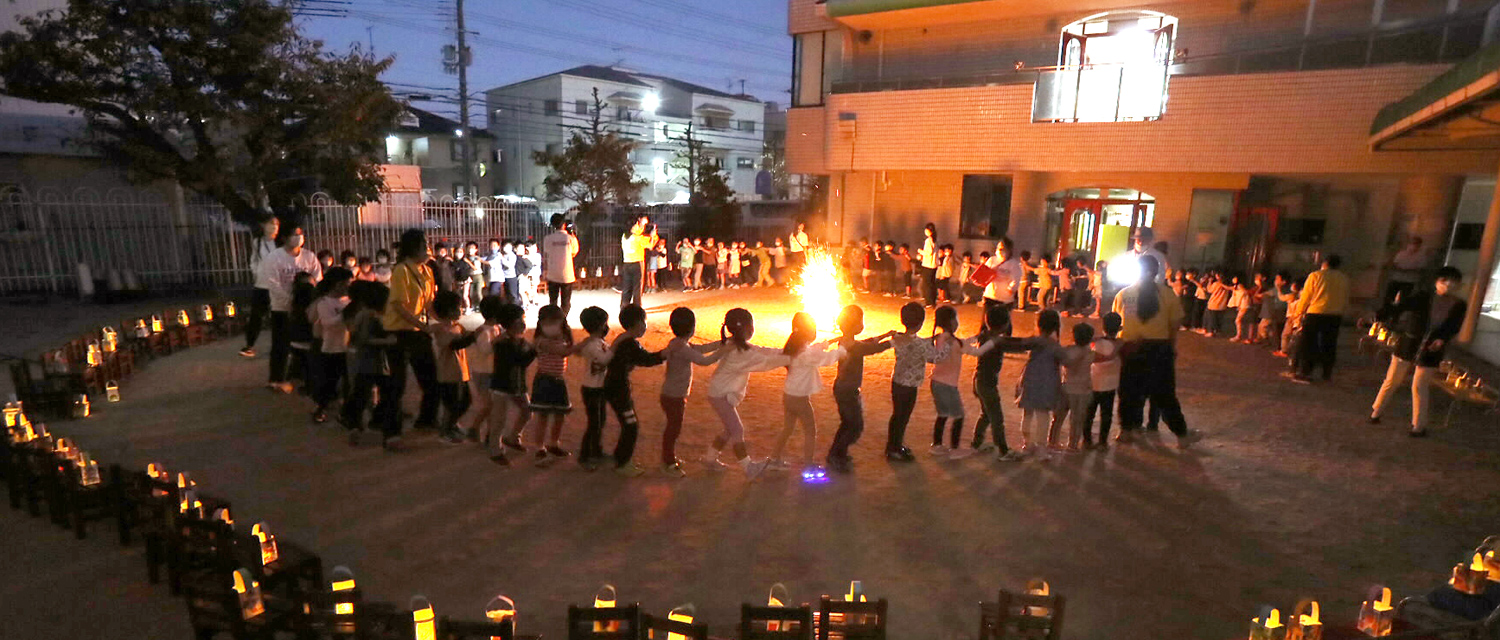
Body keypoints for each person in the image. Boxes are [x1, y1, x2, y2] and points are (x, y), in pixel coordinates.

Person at [1112, 256, 1200, 447]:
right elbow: (1175, 325)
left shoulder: (1123, 294)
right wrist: (1171, 346)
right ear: (1156, 272)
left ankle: (1126, 430)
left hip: (1131, 347)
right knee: (1164, 393)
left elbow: (1117, 323)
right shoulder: (1167, 295)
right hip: (1158, 349)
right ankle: (1181, 435)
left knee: (1129, 391)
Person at [1368, 266, 1466, 437]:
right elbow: (1401, 306)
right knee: (1392, 380)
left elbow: (1453, 326)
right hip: (1409, 342)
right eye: (1444, 280)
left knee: (1419, 386)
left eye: (1453, 282)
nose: (1448, 284)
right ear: (1437, 281)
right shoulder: (1424, 296)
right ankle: (1376, 412)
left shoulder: (1459, 305)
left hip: (1431, 349)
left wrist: (1441, 339)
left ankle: (1418, 426)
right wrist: (1379, 315)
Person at [703, 308, 787, 476]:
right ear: (747, 328)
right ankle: (748, 467)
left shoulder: (735, 345)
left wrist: (787, 351)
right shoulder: (740, 352)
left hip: (719, 392)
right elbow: (765, 361)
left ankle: (710, 458)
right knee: (737, 429)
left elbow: (762, 351)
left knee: (729, 429)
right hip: (720, 395)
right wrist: (790, 357)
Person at [378, 228, 438, 446]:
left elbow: (429, 303)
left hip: (418, 332)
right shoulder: (402, 271)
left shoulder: (427, 271)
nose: (428, 248)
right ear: (414, 248)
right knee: (397, 384)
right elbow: (399, 306)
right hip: (399, 333)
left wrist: (444, 322)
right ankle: (391, 433)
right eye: (425, 245)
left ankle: (427, 420)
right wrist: (423, 326)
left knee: (431, 379)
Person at [825, 305, 895, 473]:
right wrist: (891, 342)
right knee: (855, 426)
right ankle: (836, 455)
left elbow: (866, 343)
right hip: (847, 390)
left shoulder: (846, 340)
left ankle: (837, 453)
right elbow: (870, 348)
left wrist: (885, 336)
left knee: (848, 423)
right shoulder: (853, 346)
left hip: (844, 388)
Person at [772, 312, 844, 475]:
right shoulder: (806, 353)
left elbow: (812, 350)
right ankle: (808, 465)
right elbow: (826, 359)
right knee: (810, 431)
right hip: (799, 399)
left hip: (788, 395)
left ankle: (774, 458)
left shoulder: (793, 346)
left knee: (787, 429)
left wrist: (824, 344)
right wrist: (843, 350)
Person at [598, 304, 665, 476]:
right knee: (631, 425)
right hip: (618, 388)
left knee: (628, 423)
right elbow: (647, 359)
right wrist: (664, 354)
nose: (646, 326)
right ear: (637, 323)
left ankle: (620, 457)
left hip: (615, 386)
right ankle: (623, 463)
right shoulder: (629, 344)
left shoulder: (625, 339)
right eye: (644, 322)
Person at [659, 308, 723, 477]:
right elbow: (704, 360)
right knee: (673, 429)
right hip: (674, 396)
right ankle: (668, 462)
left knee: (673, 428)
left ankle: (669, 458)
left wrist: (722, 343)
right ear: (692, 328)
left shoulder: (678, 343)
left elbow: (701, 349)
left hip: (672, 394)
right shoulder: (682, 347)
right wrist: (724, 350)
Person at [260, 224, 322, 393]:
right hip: (282, 308)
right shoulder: (275, 258)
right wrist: (291, 301)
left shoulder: (309, 257)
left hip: (306, 308)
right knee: (280, 343)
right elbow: (273, 284)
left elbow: (317, 277)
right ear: (285, 237)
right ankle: (276, 378)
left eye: (300, 234)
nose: (298, 238)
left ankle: (300, 376)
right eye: (294, 234)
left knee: (304, 343)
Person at [1003, 310, 1066, 460]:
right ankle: (1041, 448)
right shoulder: (1054, 345)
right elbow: (1066, 359)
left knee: (1028, 412)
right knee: (1043, 415)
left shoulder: (1035, 341)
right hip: (1048, 382)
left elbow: (1018, 344)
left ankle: (1027, 444)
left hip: (1030, 379)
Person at [887, 303, 946, 461]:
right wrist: (943, 344)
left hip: (898, 381)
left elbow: (915, 343)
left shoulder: (898, 337)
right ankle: (895, 448)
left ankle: (893, 445)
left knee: (897, 415)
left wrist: (930, 340)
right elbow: (936, 358)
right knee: (903, 417)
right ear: (921, 323)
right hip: (910, 386)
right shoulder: (920, 345)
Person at [340, 280, 396, 446]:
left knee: (365, 394)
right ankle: (359, 425)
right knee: (368, 394)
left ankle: (358, 424)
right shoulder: (368, 316)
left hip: (369, 362)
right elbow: (364, 340)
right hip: (368, 362)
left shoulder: (366, 314)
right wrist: (388, 341)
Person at [968, 304, 1018, 460]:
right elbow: (1017, 345)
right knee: (997, 418)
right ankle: (1003, 450)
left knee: (987, 414)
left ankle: (977, 442)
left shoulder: (985, 335)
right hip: (987, 383)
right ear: (1004, 325)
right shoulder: (997, 341)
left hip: (979, 379)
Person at [1290, 254, 1350, 384]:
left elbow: (1306, 296)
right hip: (1335, 315)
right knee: (1329, 343)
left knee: (1309, 343)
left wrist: (1299, 312)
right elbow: (1345, 298)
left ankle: (1305, 372)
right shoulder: (1343, 279)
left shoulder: (1316, 275)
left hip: (1316, 313)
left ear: (1325, 263)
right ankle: (1326, 373)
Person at [489, 303, 535, 465]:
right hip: (502, 385)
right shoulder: (503, 343)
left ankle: (512, 438)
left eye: (523, 319)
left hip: (516, 384)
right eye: (519, 321)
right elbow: (519, 362)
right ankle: (495, 450)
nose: (523, 324)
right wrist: (534, 351)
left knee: (527, 411)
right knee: (499, 420)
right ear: (508, 325)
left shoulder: (517, 340)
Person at [428, 291, 477, 446]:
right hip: (447, 372)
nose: (460, 310)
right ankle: (445, 431)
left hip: (461, 371)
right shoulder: (440, 329)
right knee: (452, 403)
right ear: (448, 311)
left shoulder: (457, 326)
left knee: (465, 400)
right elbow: (454, 345)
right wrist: (474, 336)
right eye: (458, 308)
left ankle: (452, 425)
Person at [528, 304, 575, 464]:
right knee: (543, 415)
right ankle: (539, 447)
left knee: (560, 414)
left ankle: (553, 443)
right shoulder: (541, 341)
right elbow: (562, 352)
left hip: (558, 380)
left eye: (555, 322)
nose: (552, 326)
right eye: (548, 323)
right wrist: (584, 345)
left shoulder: (562, 337)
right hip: (544, 380)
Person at [309, 267, 353, 424]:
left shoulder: (348, 301)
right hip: (330, 349)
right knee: (328, 383)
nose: (349, 286)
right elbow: (328, 323)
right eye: (347, 283)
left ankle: (346, 412)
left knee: (349, 383)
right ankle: (320, 408)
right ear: (337, 284)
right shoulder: (324, 302)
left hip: (348, 348)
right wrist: (346, 313)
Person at [575, 307, 615, 471]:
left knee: (600, 421)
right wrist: (617, 346)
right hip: (592, 388)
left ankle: (596, 451)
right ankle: (585, 456)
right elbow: (605, 359)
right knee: (594, 423)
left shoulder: (597, 342)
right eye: (604, 323)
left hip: (598, 387)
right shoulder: (591, 345)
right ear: (599, 325)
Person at [1048, 322, 1095, 452]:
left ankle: (1052, 442)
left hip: (1065, 386)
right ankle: (1072, 445)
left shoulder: (1067, 350)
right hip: (1082, 390)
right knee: (1077, 420)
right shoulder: (1090, 353)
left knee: (1058, 418)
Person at [461, 295, 502, 442]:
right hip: (483, 371)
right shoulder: (484, 331)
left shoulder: (494, 328)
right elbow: (486, 350)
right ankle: (474, 427)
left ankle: (490, 435)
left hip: (490, 370)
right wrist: (499, 340)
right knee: (488, 405)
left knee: (492, 406)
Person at [242, 216, 280, 358]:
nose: (274, 227)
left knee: (278, 317)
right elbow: (254, 259)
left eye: (276, 224)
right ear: (263, 226)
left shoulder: (279, 243)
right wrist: (256, 272)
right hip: (261, 284)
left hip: (277, 285)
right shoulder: (257, 242)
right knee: (256, 316)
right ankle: (249, 345)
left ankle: (280, 347)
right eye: (271, 224)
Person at [1085, 313, 1122, 449]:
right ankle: (1102, 442)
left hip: (1093, 382)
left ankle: (1087, 440)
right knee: (1106, 414)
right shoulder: (1119, 344)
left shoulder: (1097, 343)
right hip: (1110, 385)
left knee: (1089, 413)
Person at [982, 237, 1024, 335]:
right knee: (986, 319)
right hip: (990, 295)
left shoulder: (1014, 264)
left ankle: (1006, 340)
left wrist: (1011, 288)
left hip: (1005, 298)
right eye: (998, 248)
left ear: (1009, 249)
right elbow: (984, 273)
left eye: (1002, 248)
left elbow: (1017, 278)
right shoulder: (992, 260)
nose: (999, 251)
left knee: (1005, 321)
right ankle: (983, 339)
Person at [542, 216, 580, 314]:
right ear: (564, 224)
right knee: (566, 301)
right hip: (567, 275)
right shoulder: (570, 238)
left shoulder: (548, 239)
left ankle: (554, 318)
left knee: (553, 300)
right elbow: (574, 252)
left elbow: (547, 251)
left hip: (553, 274)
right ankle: (563, 319)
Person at [619, 215, 654, 309]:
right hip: (637, 263)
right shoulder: (638, 238)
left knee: (626, 287)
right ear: (633, 227)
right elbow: (650, 246)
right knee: (637, 287)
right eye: (637, 225)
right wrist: (653, 236)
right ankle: (637, 307)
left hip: (626, 263)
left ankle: (624, 306)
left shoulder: (624, 236)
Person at [1385, 236, 1427, 308]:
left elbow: (1421, 269)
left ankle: (1397, 315)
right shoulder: (1401, 254)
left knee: (1403, 302)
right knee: (1389, 299)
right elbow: (1394, 264)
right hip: (1396, 279)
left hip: (1409, 281)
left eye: (1416, 243)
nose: (1413, 245)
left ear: (1419, 245)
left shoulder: (1421, 256)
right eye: (1412, 243)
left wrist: (1407, 270)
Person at [917, 223, 939, 307]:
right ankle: (932, 301)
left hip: (928, 265)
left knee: (927, 284)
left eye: (926, 230)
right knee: (932, 283)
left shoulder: (928, 240)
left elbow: (929, 252)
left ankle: (928, 302)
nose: (925, 231)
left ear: (930, 231)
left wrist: (920, 251)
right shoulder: (935, 240)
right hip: (933, 265)